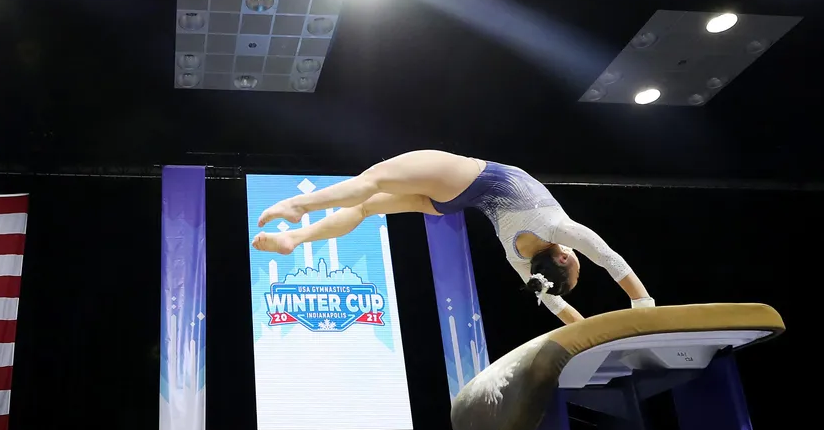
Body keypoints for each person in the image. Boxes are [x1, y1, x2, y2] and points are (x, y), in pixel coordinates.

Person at [252, 150, 652, 325]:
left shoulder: (557, 230)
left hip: (469, 177)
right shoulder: (521, 261)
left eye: (577, 266)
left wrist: (641, 303)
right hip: (450, 202)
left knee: (370, 180)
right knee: (367, 207)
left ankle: (298, 208)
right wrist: (587, 334)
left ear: (564, 258)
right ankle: (297, 239)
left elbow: (609, 258)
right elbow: (553, 303)